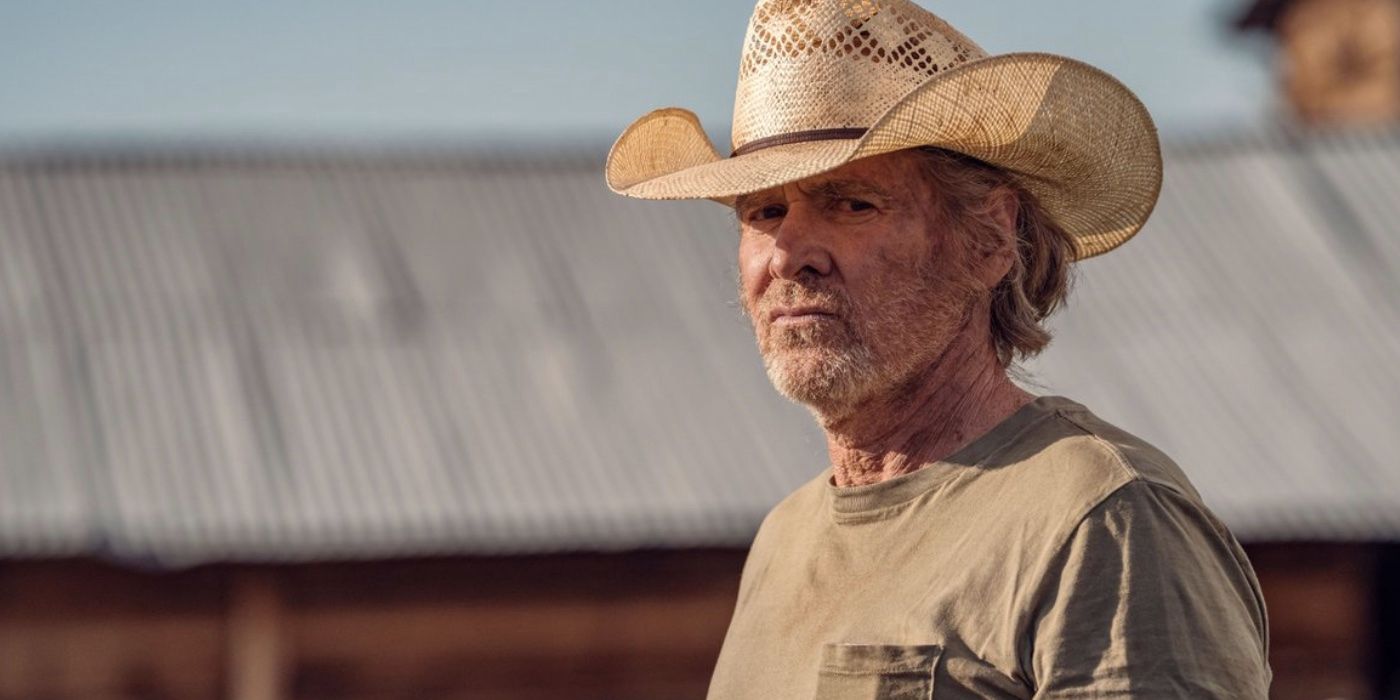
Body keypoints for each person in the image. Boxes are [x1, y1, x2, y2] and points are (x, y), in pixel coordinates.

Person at [605, 0, 1272, 697]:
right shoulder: (785, 538)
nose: (789, 256)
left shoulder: (1104, 519)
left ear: (988, 238)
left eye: (851, 204)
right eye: (764, 213)